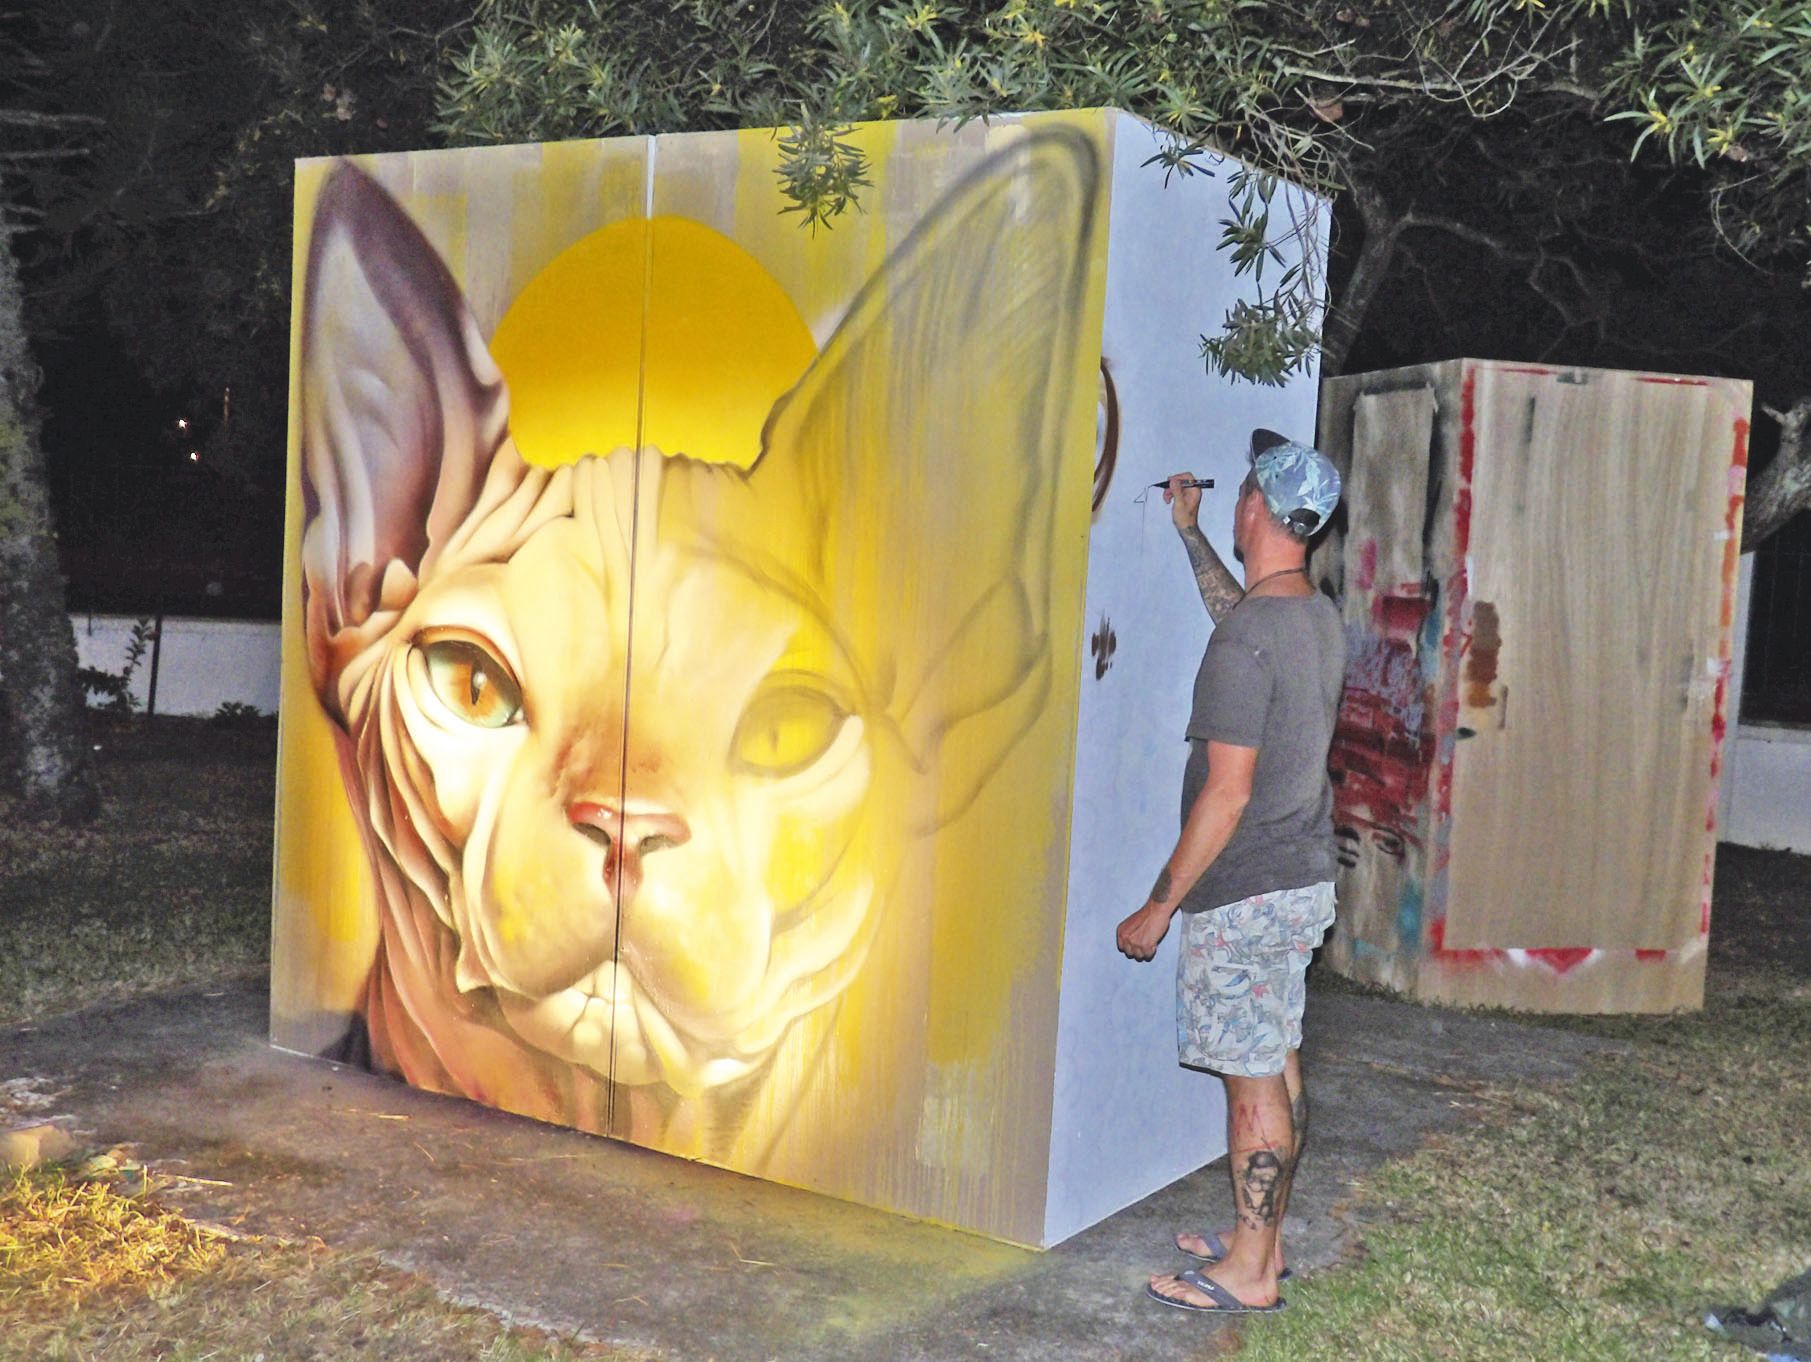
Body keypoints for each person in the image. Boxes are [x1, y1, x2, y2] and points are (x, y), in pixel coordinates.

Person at [1115, 429, 1346, 1316]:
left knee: (1253, 1081)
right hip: (1298, 884)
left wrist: (1158, 905)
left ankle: (1247, 1274)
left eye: (1242, 491)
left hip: (1244, 890)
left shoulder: (1250, 638)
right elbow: (1238, 617)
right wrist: (1188, 533)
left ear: (1256, 507)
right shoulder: (1306, 618)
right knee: (1274, 1063)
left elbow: (1225, 793)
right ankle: (1266, 1242)